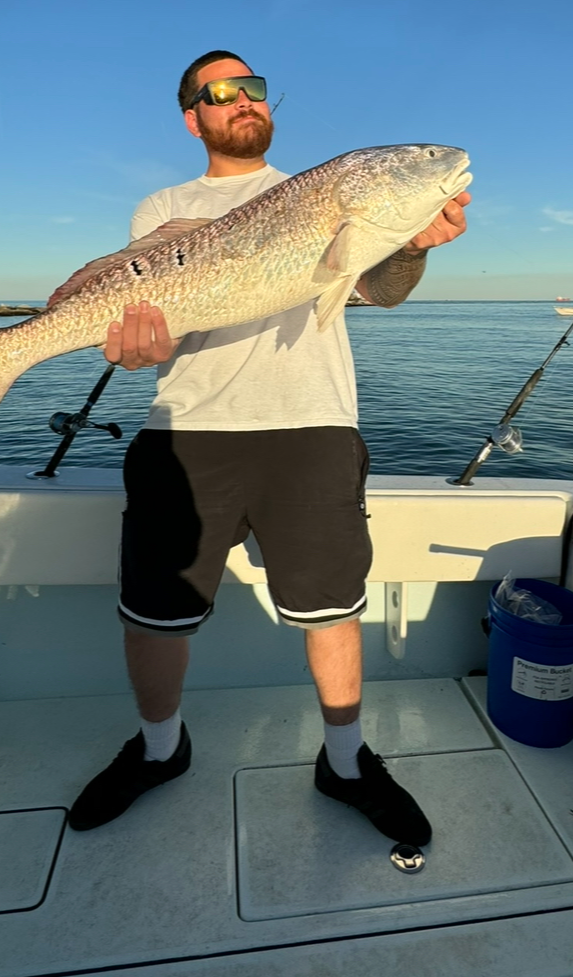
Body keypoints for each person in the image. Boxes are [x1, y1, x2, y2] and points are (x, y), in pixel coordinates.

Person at [68, 51, 470, 844]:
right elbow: (159, 321)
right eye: (220, 93)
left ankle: (346, 762)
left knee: (332, 609)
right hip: (187, 429)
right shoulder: (165, 205)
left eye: (251, 86)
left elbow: (379, 289)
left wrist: (413, 245)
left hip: (311, 421)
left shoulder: (328, 196)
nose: (241, 100)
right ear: (193, 116)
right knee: (155, 613)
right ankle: (158, 749)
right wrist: (137, 346)